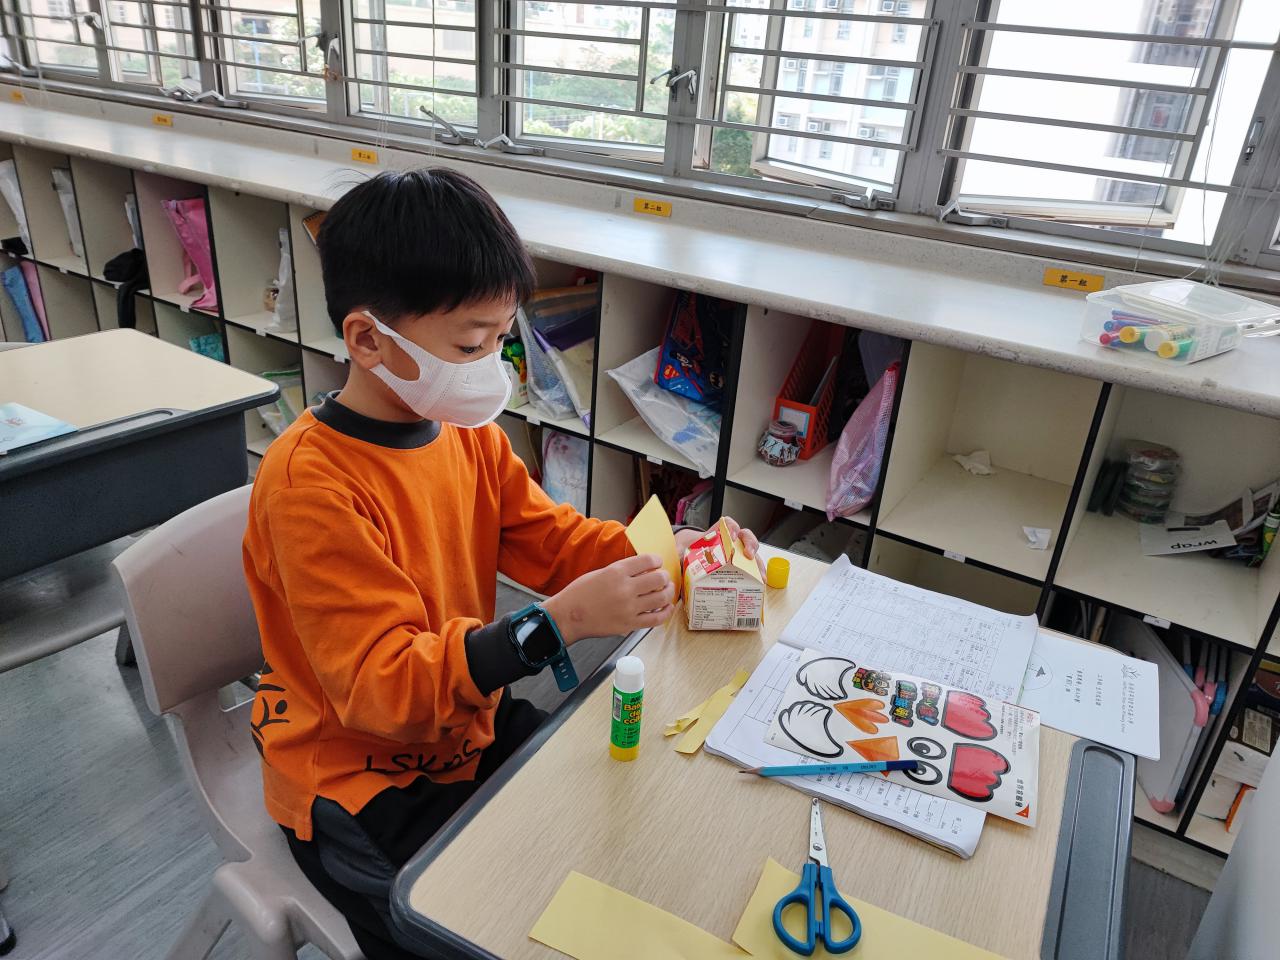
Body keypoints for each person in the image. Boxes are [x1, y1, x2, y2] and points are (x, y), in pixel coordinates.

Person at [241, 168, 760, 959]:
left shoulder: (464, 432)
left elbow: (549, 539)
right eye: (470, 344)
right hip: (357, 779)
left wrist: (666, 552)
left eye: (499, 339)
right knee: (469, 925)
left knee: (601, 819)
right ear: (368, 340)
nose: (491, 365)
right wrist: (557, 624)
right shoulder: (311, 486)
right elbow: (382, 688)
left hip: (461, 726)